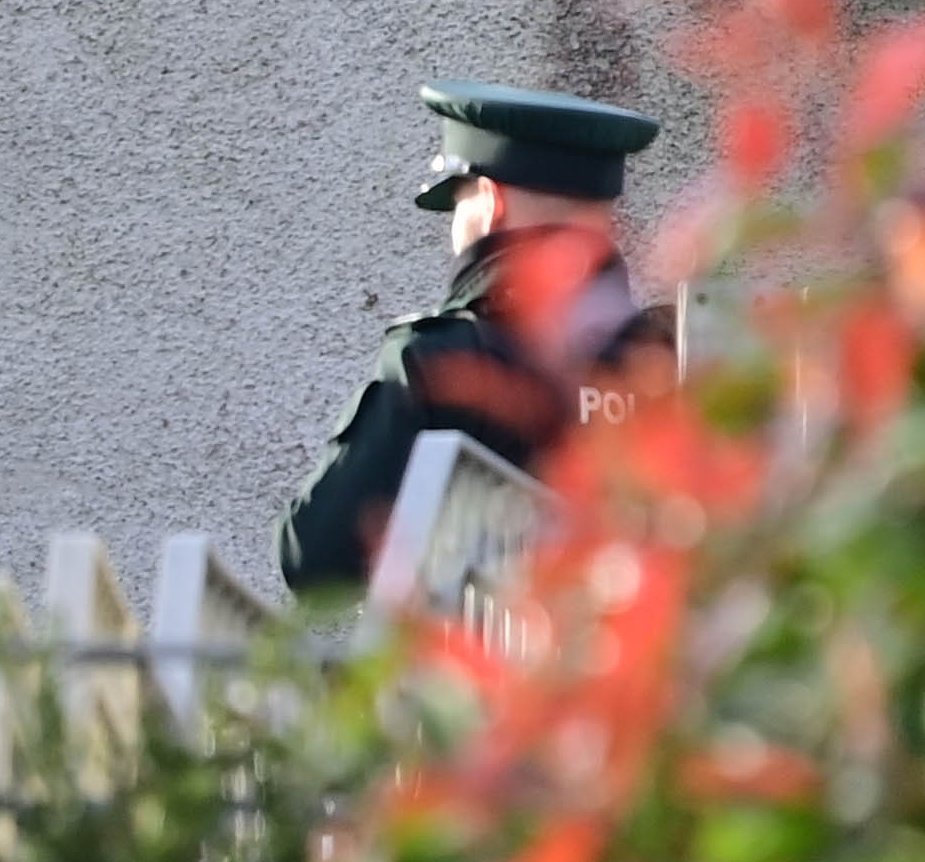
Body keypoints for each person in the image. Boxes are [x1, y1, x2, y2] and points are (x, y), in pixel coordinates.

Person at [276, 83, 677, 596]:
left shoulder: (441, 362)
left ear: (489, 203)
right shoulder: (676, 367)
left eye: (458, 205)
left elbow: (315, 560)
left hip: (477, 671)